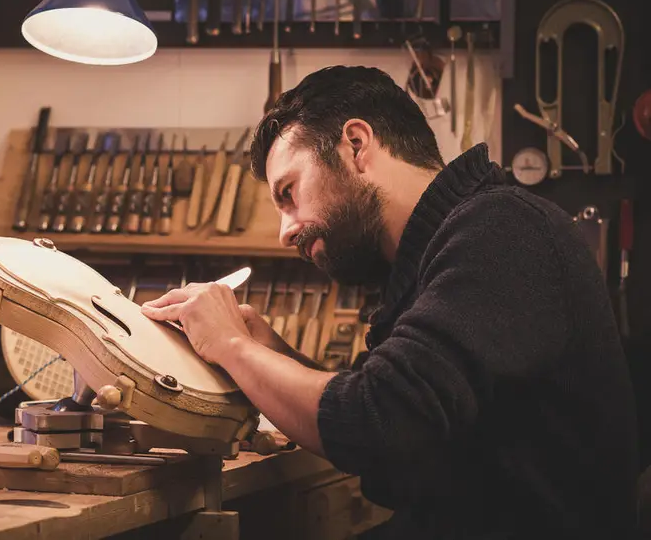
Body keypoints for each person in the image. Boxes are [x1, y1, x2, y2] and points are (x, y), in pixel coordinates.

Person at [140, 66, 639, 539]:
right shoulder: (433, 256)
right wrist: (273, 354)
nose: (285, 232)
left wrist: (231, 345)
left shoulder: (503, 230)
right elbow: (394, 435)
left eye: (289, 193)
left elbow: (378, 426)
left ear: (356, 144)